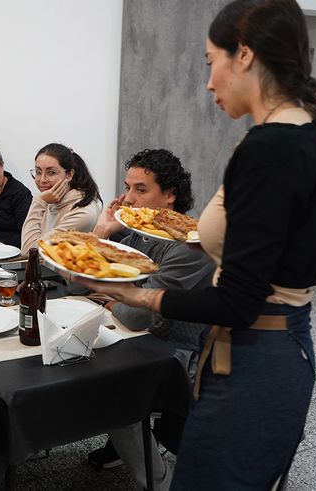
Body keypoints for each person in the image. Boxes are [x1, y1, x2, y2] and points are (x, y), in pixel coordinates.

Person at [77, 0, 316, 488]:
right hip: (275, 342)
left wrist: (135, 293)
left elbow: (240, 301)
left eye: (211, 62)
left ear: (243, 55)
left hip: (258, 350)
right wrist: (212, 246)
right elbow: (303, 257)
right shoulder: (309, 138)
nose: (208, 82)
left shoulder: (271, 148)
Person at [87, 149, 215, 487]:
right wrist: (101, 233)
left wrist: (109, 299)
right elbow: (79, 279)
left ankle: (158, 481)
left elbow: (133, 315)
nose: (128, 198)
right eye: (127, 187)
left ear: (170, 195)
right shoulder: (139, 230)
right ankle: (122, 445)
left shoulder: (190, 246)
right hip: (139, 335)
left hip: (176, 355)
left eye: (140, 190)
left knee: (105, 389)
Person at [20, 143, 103, 255]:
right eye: (38, 172)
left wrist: (38, 202)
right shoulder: (51, 198)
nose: (42, 180)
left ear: (69, 175)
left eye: (51, 172)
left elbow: (29, 252)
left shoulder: (83, 213)